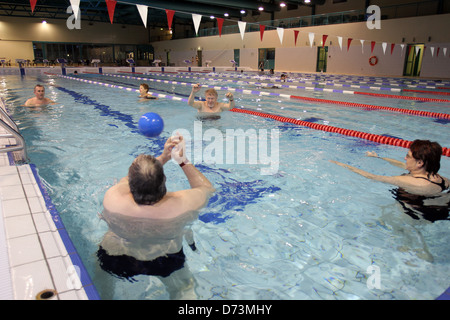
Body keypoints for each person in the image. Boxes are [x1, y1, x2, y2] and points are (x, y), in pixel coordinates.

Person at [97, 135, 215, 299]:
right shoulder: (183, 204)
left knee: (101, 289)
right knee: (185, 289)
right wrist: (181, 160)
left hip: (116, 254)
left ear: (130, 183)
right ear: (164, 179)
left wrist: (163, 157)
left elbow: (133, 180)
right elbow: (207, 188)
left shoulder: (113, 198)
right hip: (164, 258)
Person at [330, 140, 449, 222]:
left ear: (419, 163)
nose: (405, 158)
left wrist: (341, 164)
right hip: (439, 208)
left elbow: (371, 176)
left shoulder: (407, 181)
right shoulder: (440, 178)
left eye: (408, 156)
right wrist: (378, 157)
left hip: (418, 216)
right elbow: (401, 164)